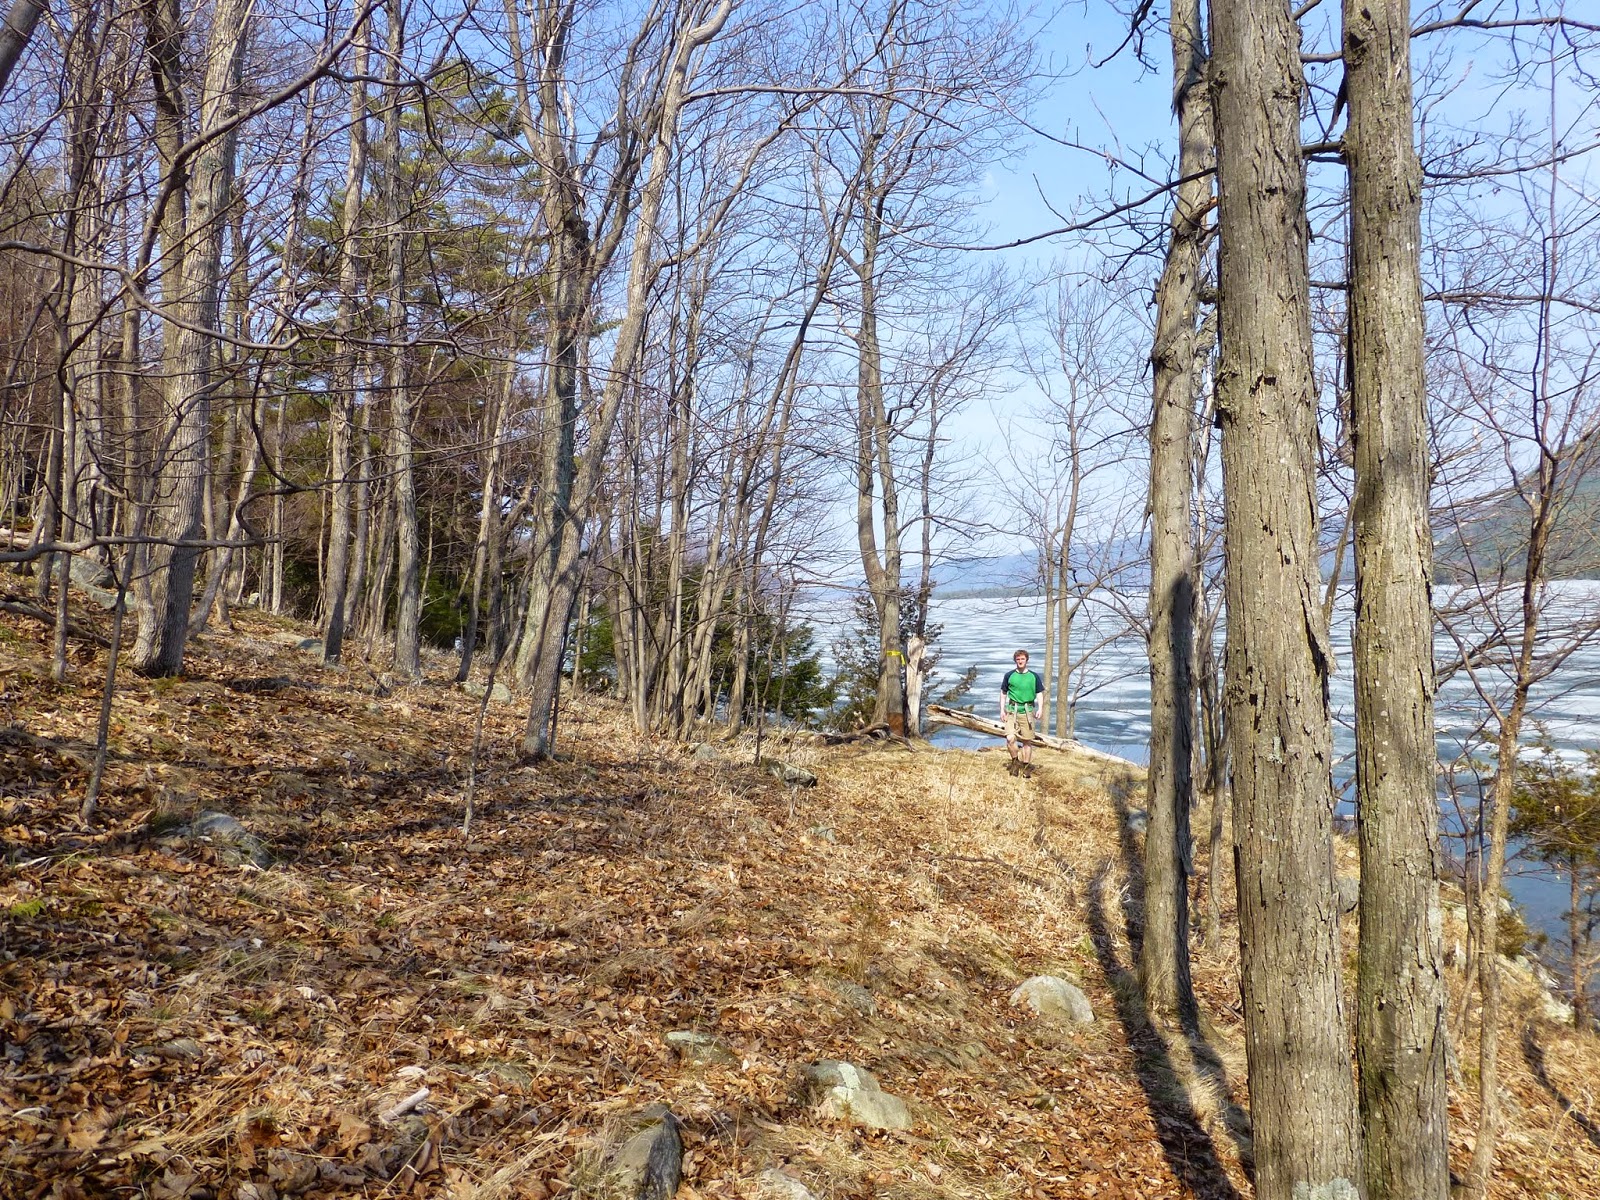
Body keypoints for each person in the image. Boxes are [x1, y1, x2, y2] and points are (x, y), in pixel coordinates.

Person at [1001, 649, 1044, 777]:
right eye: (1018, 659)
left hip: (1027, 711)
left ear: (1026, 660)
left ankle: (1026, 766)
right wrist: (1002, 710)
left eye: (1022, 659)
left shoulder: (1033, 676)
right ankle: (1015, 762)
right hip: (1012, 711)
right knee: (1010, 738)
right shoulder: (1009, 675)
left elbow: (1039, 693)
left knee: (1027, 741)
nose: (1020, 661)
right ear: (1015, 661)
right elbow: (1003, 693)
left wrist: (1040, 708)